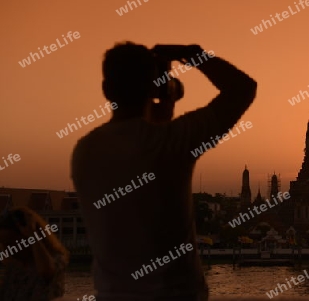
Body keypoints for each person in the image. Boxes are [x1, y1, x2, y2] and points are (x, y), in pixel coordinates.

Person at [70, 42, 257, 300]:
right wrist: (192, 54)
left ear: (106, 90)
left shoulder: (85, 149)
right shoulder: (172, 142)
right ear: (156, 88)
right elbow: (242, 88)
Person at [0, 206, 69, 300]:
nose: (7, 249)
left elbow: (46, 271)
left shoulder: (55, 259)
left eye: (11, 242)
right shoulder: (14, 266)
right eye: (4, 243)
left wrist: (32, 233)